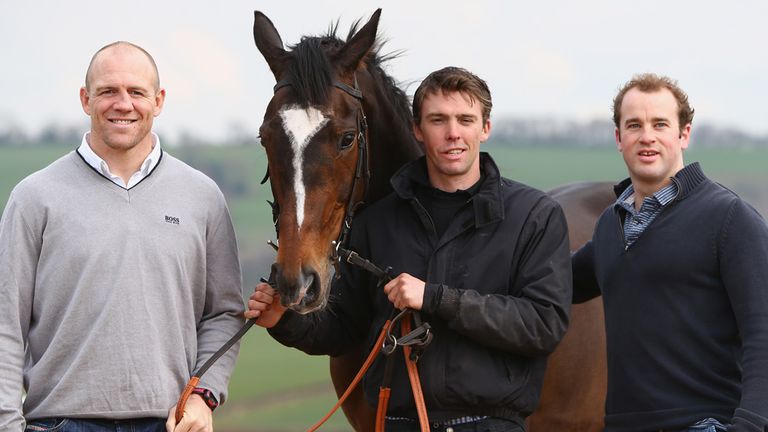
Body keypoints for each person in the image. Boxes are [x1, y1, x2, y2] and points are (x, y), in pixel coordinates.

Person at [246, 66, 573, 431]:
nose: (453, 134)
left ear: (485, 128)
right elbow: (345, 330)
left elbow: (543, 325)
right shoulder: (376, 223)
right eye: (438, 120)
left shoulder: (534, 216)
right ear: (417, 130)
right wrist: (285, 320)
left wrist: (433, 298)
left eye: (465, 119)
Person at [0, 41, 245, 432]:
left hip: (168, 423)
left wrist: (204, 394)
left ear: (159, 100)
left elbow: (224, 312)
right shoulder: (34, 197)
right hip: (59, 423)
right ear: (85, 99)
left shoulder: (203, 198)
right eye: (108, 91)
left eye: (136, 92)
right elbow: (5, 325)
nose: (123, 104)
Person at [572, 73, 768, 431]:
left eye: (660, 124)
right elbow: (553, 283)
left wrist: (751, 425)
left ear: (684, 134)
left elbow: (763, 332)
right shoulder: (610, 227)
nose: (647, 136)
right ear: (619, 138)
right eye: (634, 125)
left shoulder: (728, 218)